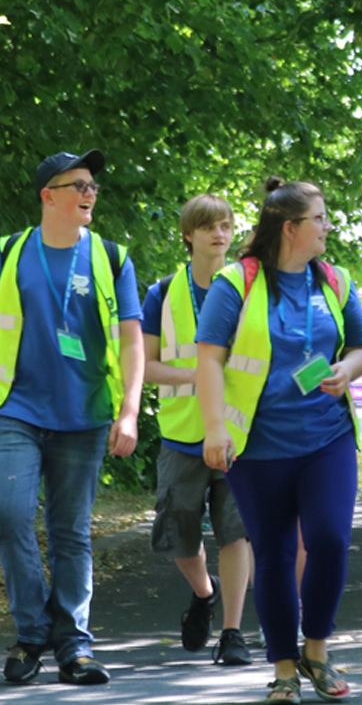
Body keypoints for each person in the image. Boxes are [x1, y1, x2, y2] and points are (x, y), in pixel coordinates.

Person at [0, 149, 144, 685]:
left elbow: (132, 342)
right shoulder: (9, 252)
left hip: (83, 415)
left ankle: (74, 646)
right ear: (48, 195)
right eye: (78, 184)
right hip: (14, 407)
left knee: (70, 533)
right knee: (10, 516)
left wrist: (129, 412)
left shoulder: (111, 257)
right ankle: (32, 631)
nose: (89, 193)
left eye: (93, 186)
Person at [196, 177, 362, 704]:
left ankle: (316, 650)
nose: (327, 226)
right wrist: (215, 427)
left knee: (331, 540)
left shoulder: (335, 281)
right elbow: (208, 359)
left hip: (327, 437)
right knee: (272, 554)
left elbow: (360, 347)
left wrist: (347, 369)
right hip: (258, 446)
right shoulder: (236, 284)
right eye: (319, 218)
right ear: (290, 228)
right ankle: (285, 670)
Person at [141, 193, 253, 665]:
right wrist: (197, 376)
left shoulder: (251, 288)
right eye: (209, 226)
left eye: (226, 225)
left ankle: (232, 632)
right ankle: (203, 595)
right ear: (189, 235)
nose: (220, 234)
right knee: (179, 535)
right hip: (181, 433)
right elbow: (144, 366)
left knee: (236, 532)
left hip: (239, 433)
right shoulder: (162, 294)